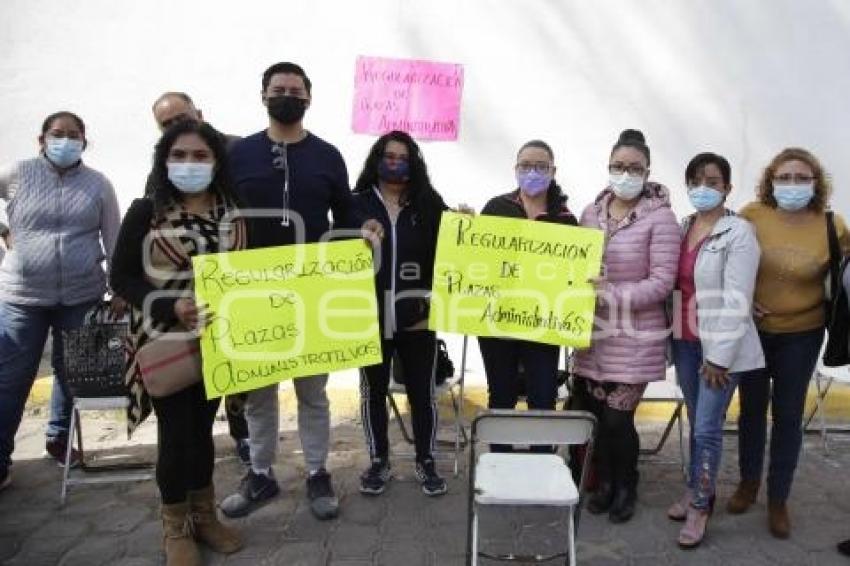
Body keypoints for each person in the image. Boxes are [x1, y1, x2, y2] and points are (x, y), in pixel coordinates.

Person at [220, 61, 378, 519]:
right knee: (259, 392)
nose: (286, 95)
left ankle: (316, 473)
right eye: (278, 88)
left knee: (313, 392)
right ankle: (261, 475)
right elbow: (221, 214)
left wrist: (362, 227)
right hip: (253, 292)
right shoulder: (239, 154)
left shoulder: (327, 155)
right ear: (263, 95)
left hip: (313, 290)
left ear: (309, 97)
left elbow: (346, 213)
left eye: (295, 89)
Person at [110, 120, 244, 565]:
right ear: (165, 162)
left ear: (216, 161)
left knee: (203, 432)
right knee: (177, 434)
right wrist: (171, 306)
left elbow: (257, 268)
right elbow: (122, 277)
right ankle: (175, 530)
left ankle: (205, 518)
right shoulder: (144, 211)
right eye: (179, 156)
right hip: (164, 340)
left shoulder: (235, 213)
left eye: (200, 156)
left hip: (217, 342)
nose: (190, 164)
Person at [729, 147, 850, 539]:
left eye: (802, 178)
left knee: (788, 417)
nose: (792, 184)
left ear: (816, 183)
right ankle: (749, 484)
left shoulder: (833, 225)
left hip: (803, 332)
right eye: (785, 177)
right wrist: (743, 301)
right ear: (771, 180)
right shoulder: (752, 215)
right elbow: (728, 262)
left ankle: (779, 497)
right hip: (754, 332)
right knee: (750, 411)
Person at [0, 111, 122, 490]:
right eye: (58, 134)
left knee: (73, 374)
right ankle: (1, 456)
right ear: (42, 139)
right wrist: (4, 230)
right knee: (11, 378)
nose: (65, 141)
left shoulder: (98, 185)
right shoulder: (17, 174)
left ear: (85, 142)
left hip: (81, 295)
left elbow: (113, 236)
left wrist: (119, 288)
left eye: (74, 135)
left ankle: (57, 438)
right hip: (22, 297)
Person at [569, 129, 680, 524]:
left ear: (647, 172)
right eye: (619, 166)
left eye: (634, 168)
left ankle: (626, 484)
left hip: (636, 338)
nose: (625, 173)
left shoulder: (662, 219)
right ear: (608, 167)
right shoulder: (589, 214)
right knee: (597, 418)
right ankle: (603, 484)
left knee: (619, 420)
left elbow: (662, 281)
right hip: (593, 337)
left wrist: (611, 293)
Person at [146, 91, 251, 466]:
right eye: (167, 125)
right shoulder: (157, 183)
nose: (177, 129)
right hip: (182, 314)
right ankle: (179, 515)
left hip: (236, 299)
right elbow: (140, 254)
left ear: (200, 114)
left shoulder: (241, 151)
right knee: (182, 428)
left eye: (182, 118)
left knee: (237, 379)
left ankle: (243, 438)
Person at [665, 152, 764, 547]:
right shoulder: (684, 226)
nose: (703, 187)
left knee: (707, 427)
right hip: (685, 341)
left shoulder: (739, 232)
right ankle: (694, 487)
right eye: (696, 180)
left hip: (718, 349)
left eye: (713, 180)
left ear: (727, 187)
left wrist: (719, 356)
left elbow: (739, 296)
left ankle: (701, 506)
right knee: (696, 418)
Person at [352, 130, 451, 496]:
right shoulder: (356, 202)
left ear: (414, 163)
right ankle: (379, 461)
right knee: (372, 392)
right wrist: (355, 234)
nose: (395, 162)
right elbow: (334, 252)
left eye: (403, 157)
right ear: (376, 159)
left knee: (422, 393)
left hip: (417, 316)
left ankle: (426, 460)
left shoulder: (428, 203)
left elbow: (453, 255)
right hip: (369, 317)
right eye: (388, 156)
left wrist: (467, 225)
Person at [477, 140, 578, 448]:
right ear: (515, 169)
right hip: (498, 321)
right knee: (501, 393)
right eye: (526, 166)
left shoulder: (565, 218)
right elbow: (475, 259)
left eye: (541, 166)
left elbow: (572, 274)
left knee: (543, 395)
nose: (532, 172)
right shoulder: (495, 208)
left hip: (544, 324)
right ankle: (499, 461)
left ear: (553, 171)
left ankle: (543, 461)